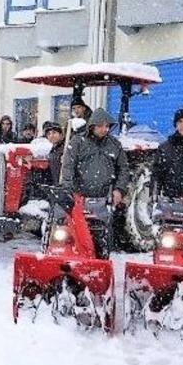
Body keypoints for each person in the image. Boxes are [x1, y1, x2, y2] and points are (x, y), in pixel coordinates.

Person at [60, 108, 129, 257]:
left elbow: (123, 169)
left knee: (101, 237)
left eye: (107, 126)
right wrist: (67, 190)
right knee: (73, 236)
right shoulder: (78, 142)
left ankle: (100, 263)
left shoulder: (114, 145)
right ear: (92, 125)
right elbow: (68, 167)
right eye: (100, 125)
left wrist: (120, 189)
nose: (104, 129)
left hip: (103, 199)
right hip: (80, 197)